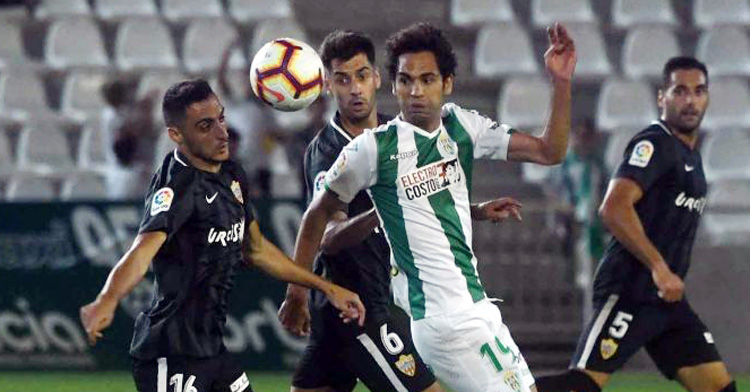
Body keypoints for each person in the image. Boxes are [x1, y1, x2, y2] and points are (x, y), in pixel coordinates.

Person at [290, 22, 576, 392]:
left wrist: (562, 83)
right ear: (392, 84)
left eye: (427, 80)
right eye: (406, 80)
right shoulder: (370, 149)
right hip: (439, 321)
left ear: (448, 83)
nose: (416, 91)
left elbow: (549, 151)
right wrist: (296, 291)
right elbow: (319, 219)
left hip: (477, 307)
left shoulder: (462, 126)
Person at [79, 80, 365, 392]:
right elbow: (142, 250)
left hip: (213, 351)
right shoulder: (178, 186)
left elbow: (256, 249)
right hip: (171, 353)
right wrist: (107, 299)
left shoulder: (231, 174)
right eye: (205, 126)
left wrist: (325, 287)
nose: (221, 132)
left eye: (221, 118)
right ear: (176, 135)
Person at [535, 57, 736, 392]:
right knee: (581, 386)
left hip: (667, 302)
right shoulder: (654, 144)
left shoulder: (690, 155)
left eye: (699, 91)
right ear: (662, 97)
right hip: (630, 290)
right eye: (680, 90)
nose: (690, 100)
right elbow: (613, 207)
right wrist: (658, 266)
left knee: (718, 388)